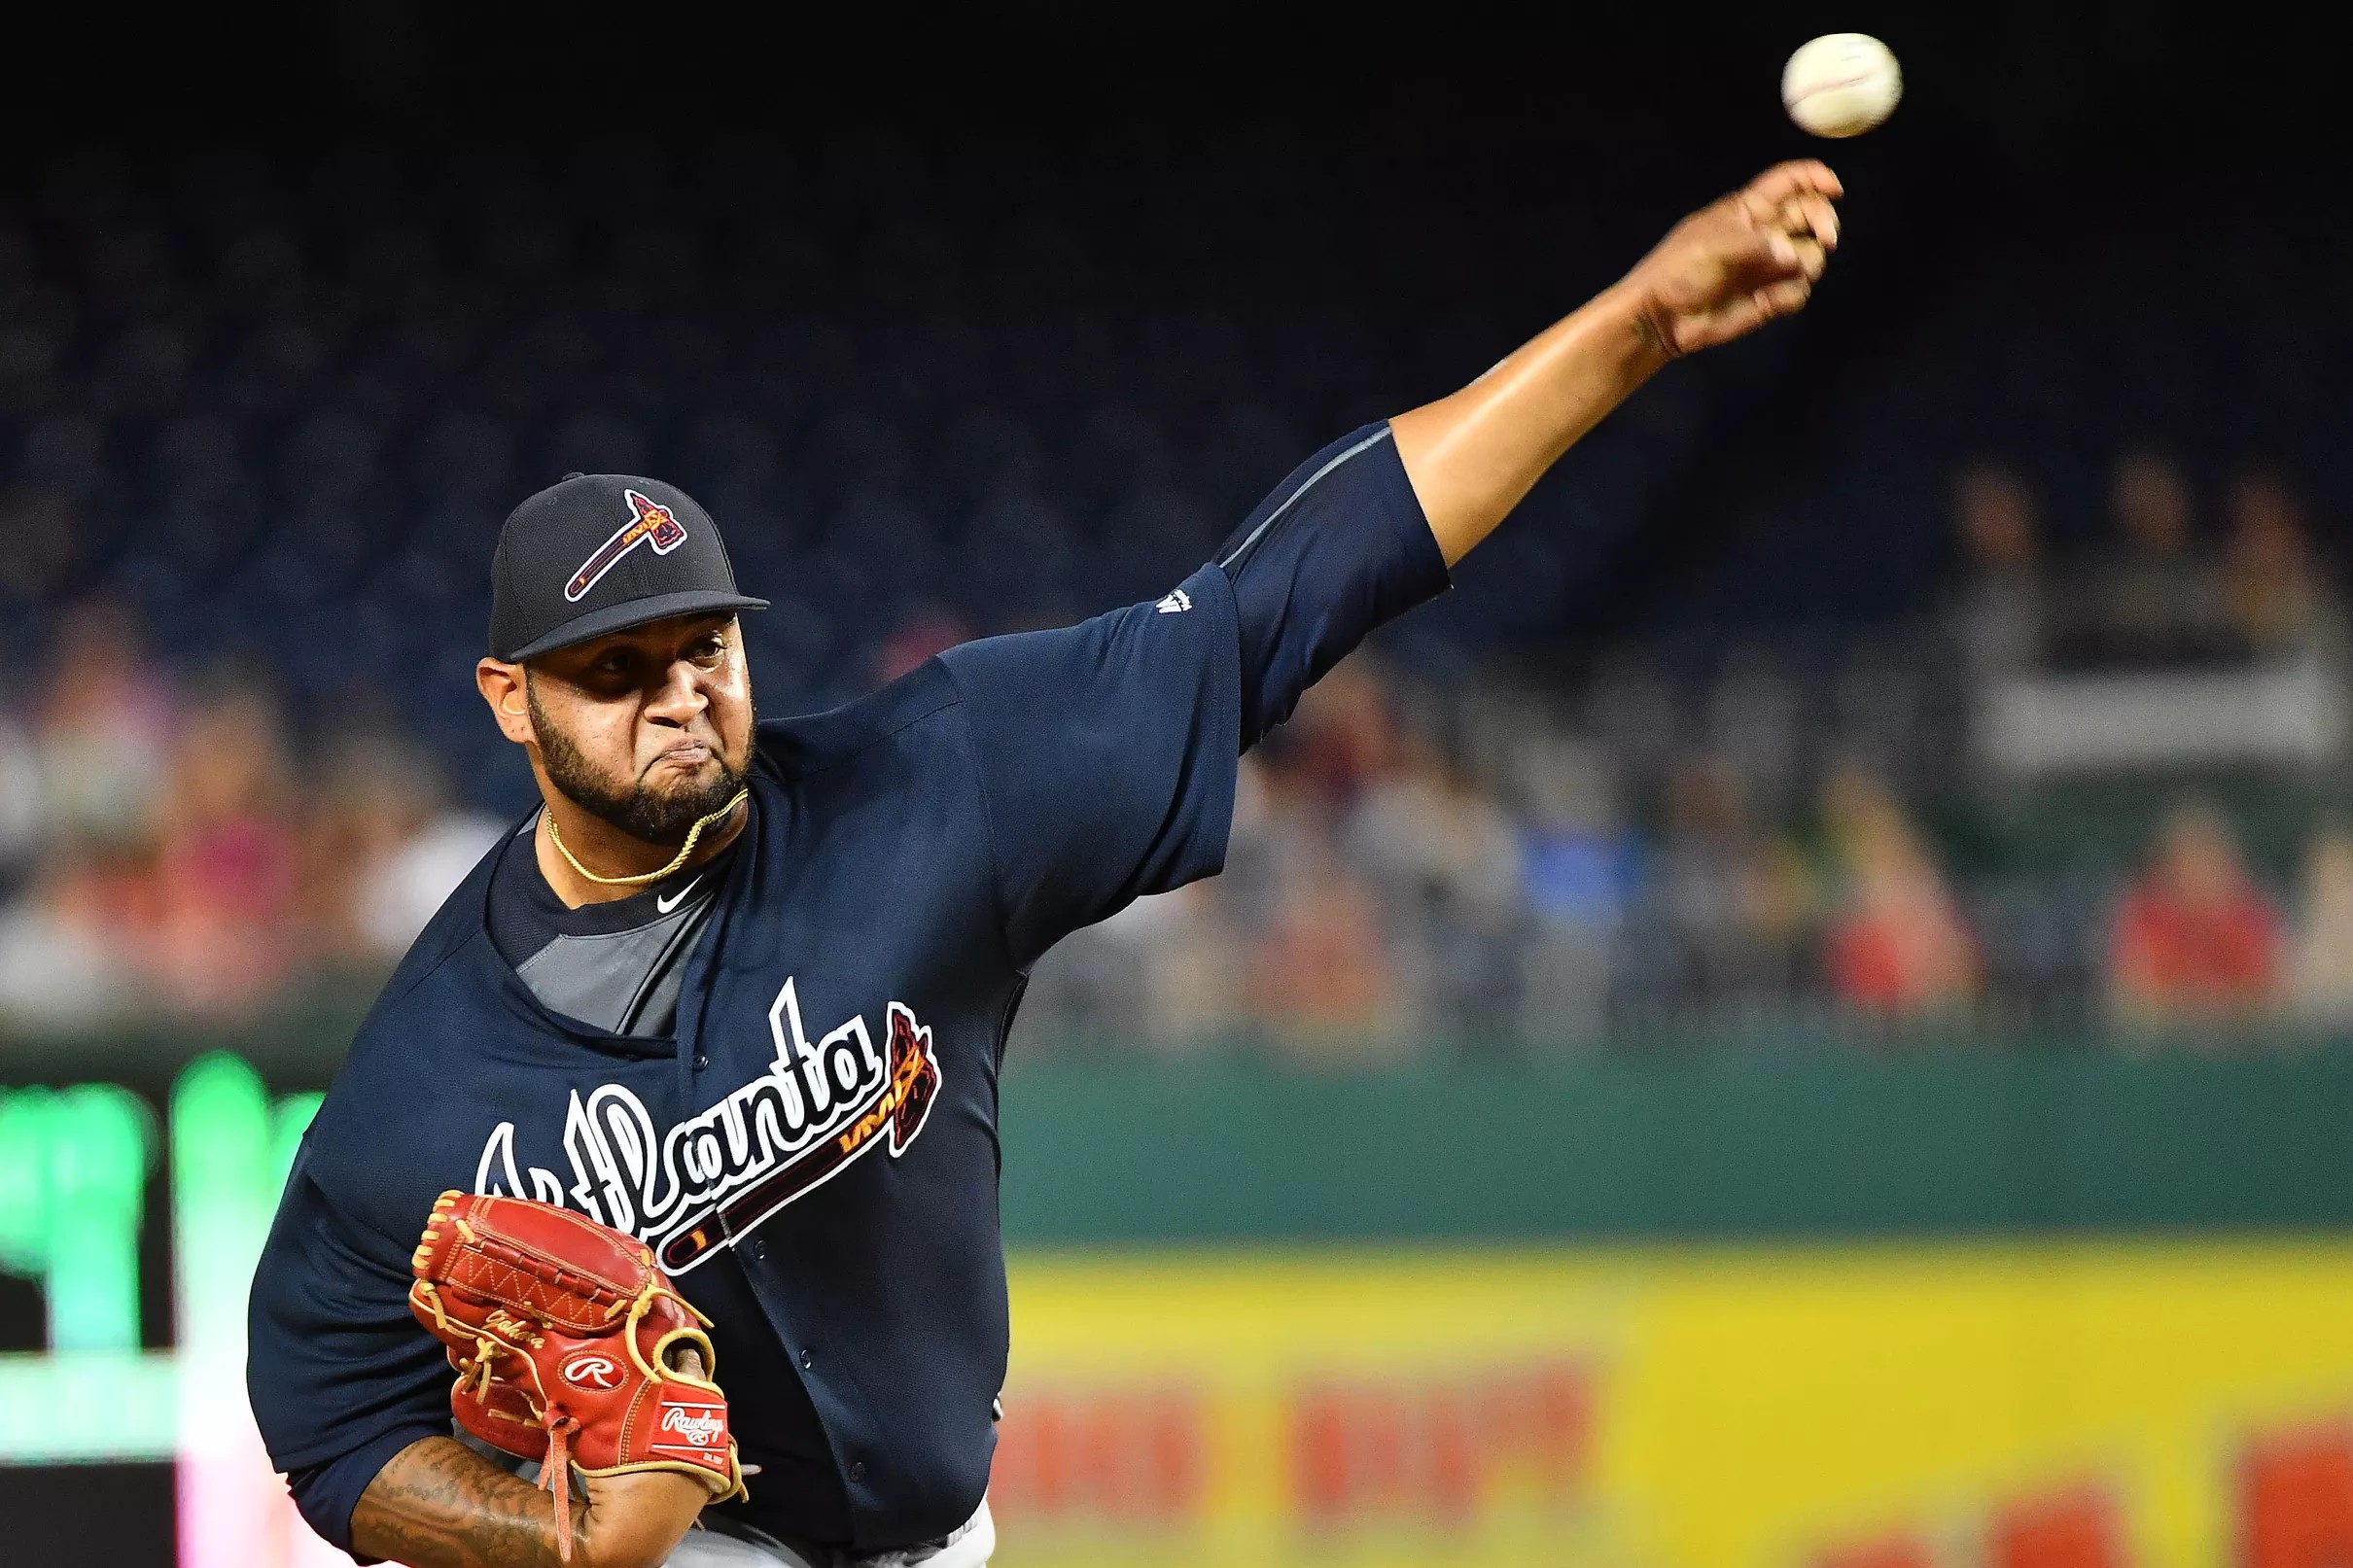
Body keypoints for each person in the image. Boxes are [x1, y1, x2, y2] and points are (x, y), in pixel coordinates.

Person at [241, 162, 1844, 1568]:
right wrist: (553, 1538)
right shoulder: (423, 1083)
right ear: (508, 697)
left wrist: (1638, 318)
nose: (678, 689)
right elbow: (322, 1405)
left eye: (703, 643)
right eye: (615, 666)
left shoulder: (936, 786)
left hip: (938, 1533)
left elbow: (1287, 590)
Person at [2108, 800, 2282, 1031]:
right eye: (2186, 859)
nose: (2197, 872)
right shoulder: (2149, 918)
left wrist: (2219, 1003)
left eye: (2207, 857)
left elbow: (2272, 998)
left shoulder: (2248, 916)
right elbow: (2137, 1001)